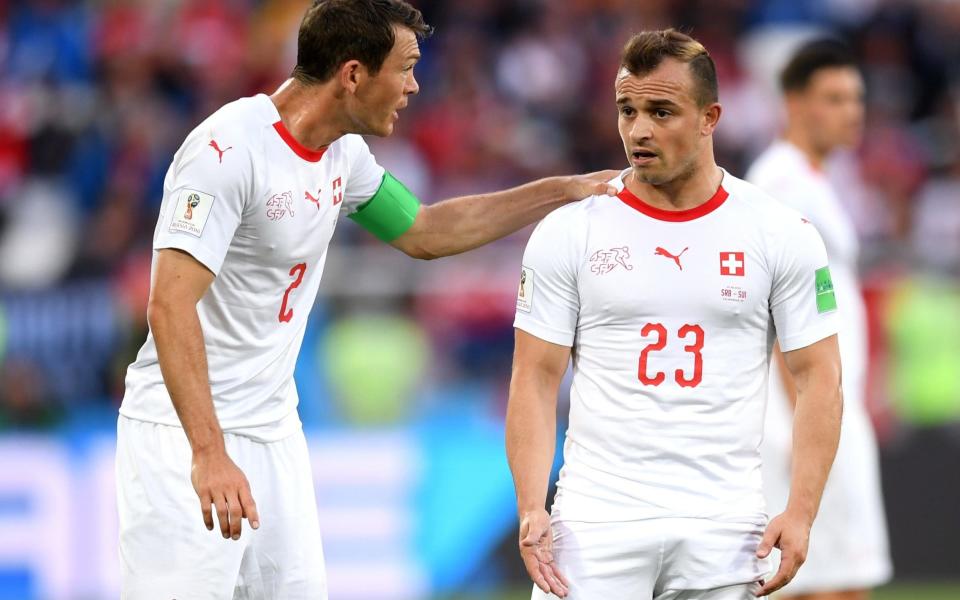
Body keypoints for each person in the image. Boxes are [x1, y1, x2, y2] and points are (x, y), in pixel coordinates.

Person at [115, 1, 617, 598]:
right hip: (182, 435)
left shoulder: (341, 154)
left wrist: (562, 191)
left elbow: (426, 231)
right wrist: (208, 450)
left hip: (274, 433)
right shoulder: (226, 151)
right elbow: (169, 305)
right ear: (353, 74)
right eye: (404, 67)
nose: (414, 85)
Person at [506, 29, 843, 600]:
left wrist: (802, 510)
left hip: (726, 527)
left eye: (662, 111)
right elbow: (534, 377)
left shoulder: (780, 232)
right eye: (628, 109)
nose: (638, 129)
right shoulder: (570, 229)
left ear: (710, 117)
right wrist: (532, 504)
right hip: (594, 522)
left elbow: (820, 377)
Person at [746, 39, 892, 600]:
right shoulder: (782, 185)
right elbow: (782, 314)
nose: (851, 111)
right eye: (834, 98)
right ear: (794, 103)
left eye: (856, 98)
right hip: (807, 417)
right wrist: (806, 426)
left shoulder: (814, 180)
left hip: (827, 406)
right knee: (821, 583)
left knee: (841, 579)